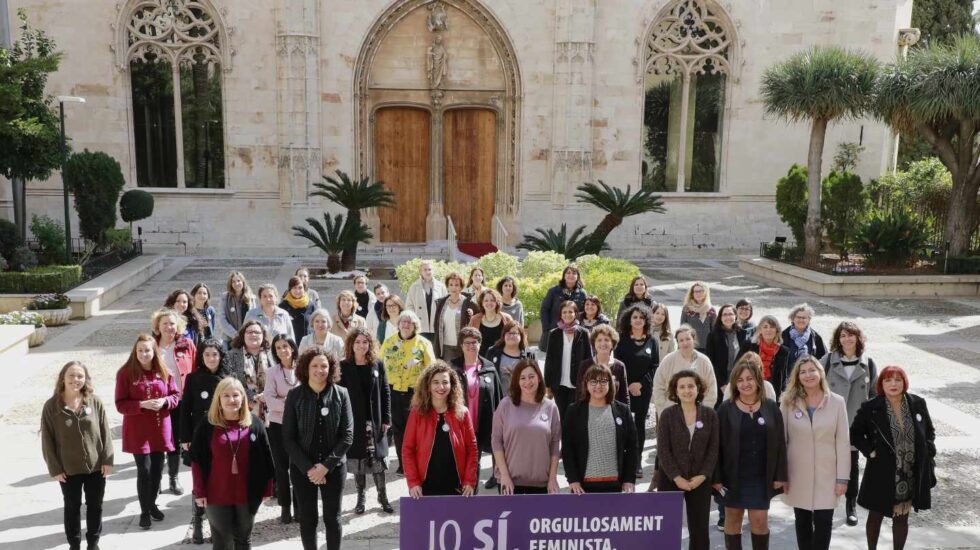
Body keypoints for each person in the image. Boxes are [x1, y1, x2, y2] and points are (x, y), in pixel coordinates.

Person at [850, 366, 936, 550]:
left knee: (902, 517)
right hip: (881, 470)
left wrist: (928, 450)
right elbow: (855, 434)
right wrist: (870, 451)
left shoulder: (917, 403)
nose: (893, 384)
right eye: (888, 380)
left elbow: (929, 431)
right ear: (881, 384)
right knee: (876, 515)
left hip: (909, 472)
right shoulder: (871, 407)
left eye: (898, 379)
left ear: (904, 382)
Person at [190, 377, 275, 550]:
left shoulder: (254, 424)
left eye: (236, 395)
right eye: (226, 395)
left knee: (244, 539)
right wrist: (199, 492)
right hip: (217, 494)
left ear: (243, 398)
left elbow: (266, 459)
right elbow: (197, 461)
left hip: (247, 493)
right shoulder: (208, 424)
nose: (231, 400)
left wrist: (267, 488)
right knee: (223, 541)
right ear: (218, 399)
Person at [282, 347, 354, 550]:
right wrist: (310, 468)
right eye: (314, 365)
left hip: (334, 468)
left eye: (324, 365)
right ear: (306, 368)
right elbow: (288, 439)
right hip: (302, 469)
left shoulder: (342, 394)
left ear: (331, 368)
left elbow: (347, 436)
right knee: (308, 518)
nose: (319, 370)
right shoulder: (294, 395)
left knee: (333, 518)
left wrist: (325, 466)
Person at [714, 359, 787, 550]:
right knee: (733, 520)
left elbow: (780, 443)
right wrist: (716, 478)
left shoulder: (771, 407)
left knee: (760, 521)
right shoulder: (725, 410)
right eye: (740, 380)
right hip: (732, 477)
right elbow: (716, 447)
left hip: (761, 477)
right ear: (734, 384)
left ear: (758, 381)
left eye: (749, 378)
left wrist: (780, 475)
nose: (745, 384)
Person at [41, 361, 114, 550]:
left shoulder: (94, 401)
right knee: (72, 507)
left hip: (96, 466)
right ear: (63, 378)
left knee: (95, 506)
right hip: (68, 468)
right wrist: (55, 469)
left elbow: (105, 432)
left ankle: (93, 543)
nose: (76, 380)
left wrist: (108, 459)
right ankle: (74, 544)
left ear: (85, 379)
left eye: (80, 376)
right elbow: (47, 441)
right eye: (71, 375)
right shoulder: (52, 406)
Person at [781, 356, 851, 550]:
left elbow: (843, 443)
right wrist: (782, 476)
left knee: (823, 523)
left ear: (821, 373)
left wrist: (842, 478)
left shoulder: (837, 402)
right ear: (797, 377)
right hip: (798, 475)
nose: (808, 375)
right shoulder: (788, 402)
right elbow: (781, 441)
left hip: (827, 476)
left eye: (812, 370)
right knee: (802, 522)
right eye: (803, 372)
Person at [115, 334, 180, 529]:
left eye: (148, 350)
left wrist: (165, 402)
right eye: (140, 350)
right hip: (138, 430)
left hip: (160, 427)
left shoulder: (164, 371)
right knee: (144, 470)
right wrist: (141, 404)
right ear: (135, 352)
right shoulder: (125, 373)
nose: (144, 354)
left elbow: (176, 396)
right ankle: (144, 511)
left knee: (158, 470)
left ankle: (152, 504)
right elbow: (120, 404)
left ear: (154, 352)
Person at [651, 370, 719, 550]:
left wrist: (703, 476)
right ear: (676, 390)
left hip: (700, 480)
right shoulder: (667, 415)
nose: (687, 390)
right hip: (670, 479)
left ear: (698, 389)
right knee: (668, 529)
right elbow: (663, 450)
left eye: (691, 386)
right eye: (682, 387)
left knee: (699, 531)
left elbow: (713, 449)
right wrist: (676, 477)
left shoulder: (710, 415)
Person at [823, 321, 878, 527]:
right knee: (826, 465)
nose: (847, 339)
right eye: (843, 335)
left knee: (852, 467)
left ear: (858, 338)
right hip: (829, 423)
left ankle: (850, 505)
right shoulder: (828, 361)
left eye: (851, 335)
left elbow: (874, 394)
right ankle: (824, 504)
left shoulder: (869, 363)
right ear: (838, 339)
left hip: (855, 425)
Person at [338, 328, 394, 514]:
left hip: (375, 421)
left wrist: (387, 418)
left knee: (378, 461)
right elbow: (339, 396)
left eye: (365, 342)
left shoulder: (377, 364)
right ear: (351, 345)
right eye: (357, 342)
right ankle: (361, 498)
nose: (361, 345)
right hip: (354, 422)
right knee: (358, 462)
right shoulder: (344, 366)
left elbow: (385, 391)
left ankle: (383, 496)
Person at [403, 362, 478, 497]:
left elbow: (472, 449)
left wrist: (469, 480)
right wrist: (413, 482)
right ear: (428, 386)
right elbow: (407, 450)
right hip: (425, 486)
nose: (441, 387)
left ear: (452, 385)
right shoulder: (417, 413)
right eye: (435, 382)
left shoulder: (463, 413)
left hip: (457, 485)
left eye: (445, 382)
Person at [180, 339, 229, 543]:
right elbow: (185, 410)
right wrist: (185, 437)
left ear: (220, 356)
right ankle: (198, 521)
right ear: (201, 356)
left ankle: (214, 524)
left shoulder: (228, 377)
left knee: (218, 480)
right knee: (199, 479)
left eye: (215, 354)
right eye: (207, 354)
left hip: (222, 436)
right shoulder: (193, 378)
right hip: (199, 436)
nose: (211, 358)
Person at [562, 363, 637, 494]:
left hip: (615, 485)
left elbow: (632, 447)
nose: (598, 386)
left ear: (610, 383)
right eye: (593, 381)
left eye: (603, 381)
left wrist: (629, 479)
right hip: (582, 488)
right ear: (586, 384)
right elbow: (568, 448)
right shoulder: (574, 411)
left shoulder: (623, 411)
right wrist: (573, 479)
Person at [491, 359, 561, 495]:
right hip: (510, 483)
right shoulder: (505, 405)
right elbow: (496, 441)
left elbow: (555, 444)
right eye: (522, 378)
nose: (527, 382)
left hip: (542, 484)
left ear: (539, 379)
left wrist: (552, 477)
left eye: (531, 377)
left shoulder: (550, 407)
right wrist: (504, 475)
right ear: (516, 381)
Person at [380, 310, 436, 475]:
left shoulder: (423, 343)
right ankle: (403, 463)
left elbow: (431, 368)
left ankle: (419, 461)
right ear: (398, 324)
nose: (405, 324)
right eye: (403, 321)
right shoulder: (390, 342)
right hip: (393, 390)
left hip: (415, 392)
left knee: (416, 428)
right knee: (398, 429)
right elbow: (378, 362)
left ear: (415, 326)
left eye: (409, 322)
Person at [450, 327, 504, 491]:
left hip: (481, 425)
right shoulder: (452, 368)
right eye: (467, 342)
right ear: (461, 345)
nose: (471, 346)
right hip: (458, 426)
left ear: (480, 344)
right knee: (457, 463)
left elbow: (498, 398)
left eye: (475, 342)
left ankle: (472, 499)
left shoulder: (489, 368)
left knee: (475, 463)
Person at [152, 307, 197, 496]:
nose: (169, 327)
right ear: (157, 327)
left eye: (172, 323)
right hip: (158, 402)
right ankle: (155, 481)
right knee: (156, 441)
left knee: (174, 440)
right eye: (165, 324)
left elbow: (195, 368)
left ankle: (173, 477)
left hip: (180, 400)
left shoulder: (186, 344)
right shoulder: (151, 345)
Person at [616, 304, 660, 478]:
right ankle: (622, 459)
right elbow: (618, 364)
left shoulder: (652, 341)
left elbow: (654, 366)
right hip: (624, 388)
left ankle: (637, 461)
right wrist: (628, 385)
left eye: (641, 318)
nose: (638, 320)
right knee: (623, 423)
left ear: (646, 320)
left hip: (643, 389)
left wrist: (639, 384)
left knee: (639, 424)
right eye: (635, 317)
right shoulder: (621, 339)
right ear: (629, 319)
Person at [264, 334, 301, 524]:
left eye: (285, 346)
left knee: (298, 466)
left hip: (301, 425)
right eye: (278, 348)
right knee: (281, 467)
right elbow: (269, 399)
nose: (282, 351)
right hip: (278, 425)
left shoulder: (303, 368)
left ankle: (299, 505)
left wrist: (288, 403)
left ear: (292, 348)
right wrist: (289, 404)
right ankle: (285, 506)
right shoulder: (272, 372)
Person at [543, 300, 594, 421]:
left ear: (576, 314)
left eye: (570, 312)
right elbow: (549, 360)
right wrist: (548, 385)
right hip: (558, 384)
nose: (567, 314)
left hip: (578, 383)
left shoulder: (584, 333)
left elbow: (589, 359)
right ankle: (564, 440)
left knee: (576, 417)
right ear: (560, 314)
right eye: (564, 312)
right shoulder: (554, 334)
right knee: (563, 416)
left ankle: (575, 440)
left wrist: (588, 382)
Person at [653, 326, 718, 419]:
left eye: (688, 339)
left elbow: (711, 389)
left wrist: (704, 412)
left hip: (697, 412)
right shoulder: (668, 360)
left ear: (693, 340)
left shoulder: (704, 361)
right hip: (672, 412)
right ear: (678, 343)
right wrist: (664, 409)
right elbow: (658, 386)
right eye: (681, 340)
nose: (685, 343)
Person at [226, 320, 274, 422]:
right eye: (249, 332)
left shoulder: (272, 355)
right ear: (243, 335)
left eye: (257, 332)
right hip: (243, 408)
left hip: (271, 409)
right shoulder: (231, 355)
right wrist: (253, 397)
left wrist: (266, 395)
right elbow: (231, 382)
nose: (253, 334)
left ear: (263, 335)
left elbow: (278, 379)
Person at [736, 315, 791, 396]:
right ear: (760, 330)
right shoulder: (749, 345)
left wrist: (784, 393)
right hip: (748, 389)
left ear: (777, 330)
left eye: (772, 327)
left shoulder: (784, 351)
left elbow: (783, 375)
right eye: (765, 327)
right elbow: (737, 367)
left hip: (772, 392)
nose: (768, 330)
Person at [706, 304, 749, 402]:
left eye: (730, 314)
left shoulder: (742, 334)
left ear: (735, 316)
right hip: (720, 378)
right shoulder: (713, 335)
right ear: (720, 317)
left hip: (738, 376)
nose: (728, 317)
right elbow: (711, 362)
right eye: (724, 315)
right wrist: (721, 384)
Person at [539, 265, 587, 352]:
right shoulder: (553, 291)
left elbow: (584, 312)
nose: (571, 275)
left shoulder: (582, 293)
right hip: (554, 330)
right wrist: (546, 328)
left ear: (578, 276)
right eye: (568, 273)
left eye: (574, 273)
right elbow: (544, 309)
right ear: (564, 276)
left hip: (574, 333)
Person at [578, 324, 629, 405]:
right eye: (599, 340)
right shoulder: (585, 365)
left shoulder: (620, 366)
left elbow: (624, 395)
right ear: (594, 343)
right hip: (590, 411)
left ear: (612, 343)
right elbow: (580, 393)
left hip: (613, 412)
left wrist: (626, 415)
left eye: (606, 340)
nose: (603, 343)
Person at [432, 272, 472, 361]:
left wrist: (471, 315)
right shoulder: (441, 303)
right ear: (447, 286)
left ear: (461, 287)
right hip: (446, 346)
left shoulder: (468, 302)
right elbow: (436, 324)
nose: (453, 287)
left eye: (457, 285)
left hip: (463, 345)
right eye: (451, 285)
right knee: (449, 372)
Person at [405, 260, 448, 341]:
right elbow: (409, 306)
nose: (428, 272)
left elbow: (446, 305)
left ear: (433, 271)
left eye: (430, 269)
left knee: (435, 351)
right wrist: (414, 320)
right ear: (420, 272)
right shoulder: (414, 287)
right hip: (420, 326)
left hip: (436, 326)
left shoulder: (441, 286)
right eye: (425, 270)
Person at [485, 323, 533, 390]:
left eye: (514, 333)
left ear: (521, 336)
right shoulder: (492, 352)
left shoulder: (529, 354)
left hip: (522, 396)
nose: (511, 336)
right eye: (508, 333)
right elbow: (486, 374)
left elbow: (534, 376)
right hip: (498, 397)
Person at [468, 288, 514, 357]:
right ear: (482, 303)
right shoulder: (474, 319)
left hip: (501, 360)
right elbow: (468, 340)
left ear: (497, 302)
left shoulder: (507, 319)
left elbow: (516, 339)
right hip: (480, 361)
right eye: (486, 300)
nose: (489, 303)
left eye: (492, 300)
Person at [782, 303, 827, 374]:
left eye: (804, 318)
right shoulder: (783, 335)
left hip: (809, 377)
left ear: (809, 320)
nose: (801, 320)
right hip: (788, 378)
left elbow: (824, 358)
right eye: (798, 317)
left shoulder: (815, 337)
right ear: (793, 318)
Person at [216, 271, 255, 345]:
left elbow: (253, 318)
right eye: (233, 281)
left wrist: (246, 334)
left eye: (238, 281)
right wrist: (235, 334)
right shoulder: (224, 297)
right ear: (230, 284)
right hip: (229, 339)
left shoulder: (251, 298)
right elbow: (222, 319)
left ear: (243, 282)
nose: (236, 284)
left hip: (247, 338)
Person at [680, 282, 716, 352]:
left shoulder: (711, 310)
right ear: (692, 294)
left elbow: (714, 330)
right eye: (695, 291)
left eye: (701, 291)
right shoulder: (687, 309)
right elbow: (682, 328)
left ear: (705, 293)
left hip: (707, 347)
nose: (698, 293)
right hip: (690, 346)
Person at [280, 276, 316, 342]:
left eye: (300, 288)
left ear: (304, 289)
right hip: (290, 345)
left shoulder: (311, 305)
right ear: (290, 289)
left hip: (307, 344)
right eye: (294, 288)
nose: (297, 291)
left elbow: (315, 326)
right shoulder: (283, 306)